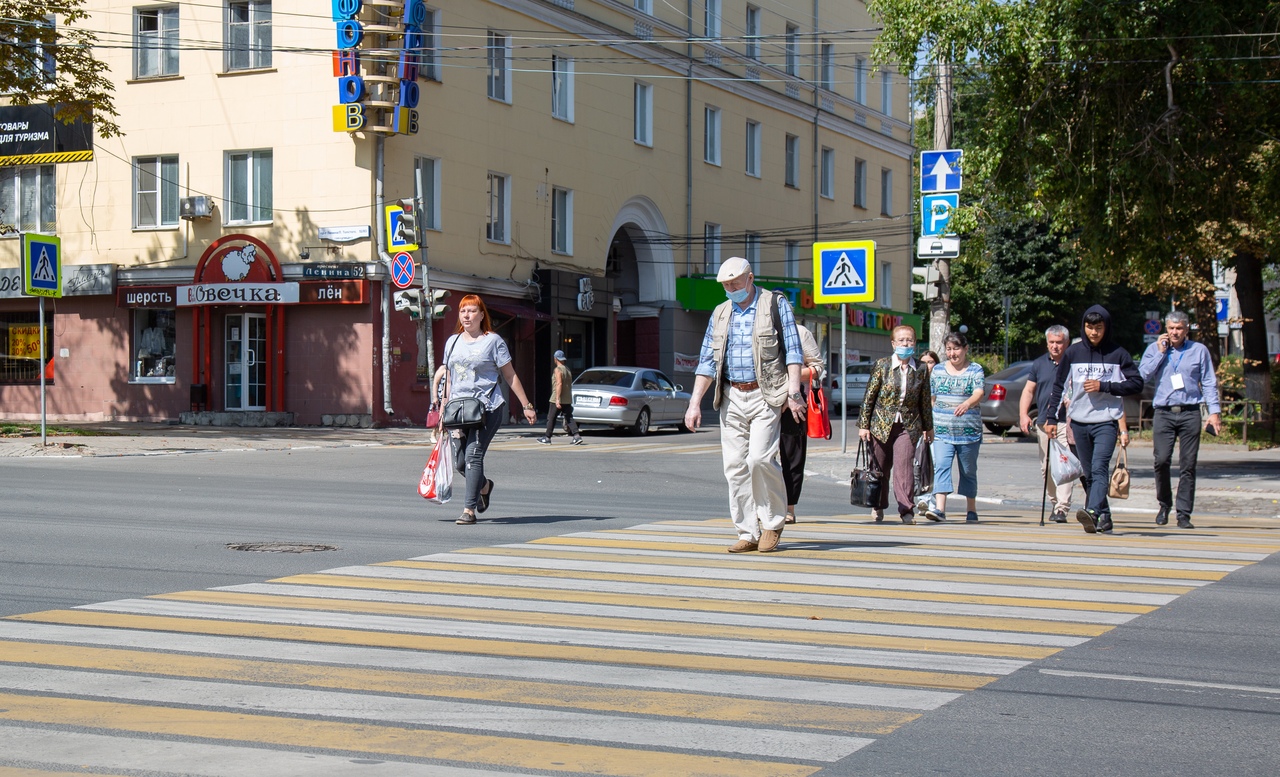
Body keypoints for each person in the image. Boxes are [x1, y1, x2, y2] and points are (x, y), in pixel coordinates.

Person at [685, 257, 807, 554]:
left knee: (760, 460)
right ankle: (747, 531)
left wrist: (793, 391)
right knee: (735, 467)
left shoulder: (775, 305)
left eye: (735, 284)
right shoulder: (720, 313)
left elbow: (793, 351)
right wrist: (694, 403)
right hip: (731, 396)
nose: (730, 289)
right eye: (726, 285)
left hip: (767, 394)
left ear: (750, 279)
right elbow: (706, 361)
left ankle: (773, 521)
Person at [433, 294, 538, 525]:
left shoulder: (493, 341)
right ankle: (485, 486)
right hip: (457, 411)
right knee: (461, 463)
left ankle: (468, 510)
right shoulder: (452, 342)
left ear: (482, 315)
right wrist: (442, 409)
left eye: (472, 311)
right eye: (463, 311)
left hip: (487, 408)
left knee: (473, 456)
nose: (467, 315)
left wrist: (526, 405)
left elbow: (509, 375)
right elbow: (449, 378)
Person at [1043, 305, 1143, 534]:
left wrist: (1104, 386)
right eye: (1089, 327)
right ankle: (1105, 516)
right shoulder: (1073, 353)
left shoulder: (1118, 354)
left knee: (1099, 468)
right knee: (1088, 473)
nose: (1094, 332)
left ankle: (1093, 512)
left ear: (1106, 327)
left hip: (1106, 421)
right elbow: (1058, 386)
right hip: (1078, 422)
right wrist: (1050, 417)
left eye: (1099, 328)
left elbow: (1137, 383)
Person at [1139, 310, 1222, 529]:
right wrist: (1159, 352)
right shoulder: (1155, 349)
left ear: (1186, 330)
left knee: (1188, 464)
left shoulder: (1198, 351)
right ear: (1166, 329)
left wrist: (1214, 412)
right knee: (1161, 460)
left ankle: (1184, 513)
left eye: (1179, 328)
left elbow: (1209, 382)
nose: (1174, 332)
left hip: (1189, 412)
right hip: (1163, 413)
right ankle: (1164, 504)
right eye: (1171, 328)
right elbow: (1142, 376)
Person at [858, 325, 934, 523]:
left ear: (915, 343)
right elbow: (869, 397)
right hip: (881, 425)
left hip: (908, 426)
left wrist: (928, 428)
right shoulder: (882, 365)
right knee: (880, 467)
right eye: (901, 340)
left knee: (904, 467)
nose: (905, 344)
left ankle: (906, 510)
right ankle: (878, 506)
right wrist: (864, 425)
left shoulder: (922, 369)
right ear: (893, 344)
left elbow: (924, 401)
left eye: (909, 340)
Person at [925, 332, 985, 523]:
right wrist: (931, 420)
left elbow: (979, 392)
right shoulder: (939, 370)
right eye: (949, 349)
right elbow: (931, 398)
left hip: (968, 432)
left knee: (968, 470)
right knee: (941, 465)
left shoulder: (975, 370)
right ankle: (940, 509)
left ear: (965, 349)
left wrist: (967, 404)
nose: (952, 353)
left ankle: (971, 509)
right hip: (942, 430)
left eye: (956, 349)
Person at [1020, 325, 1075, 523]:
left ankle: (1062, 508)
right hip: (1044, 421)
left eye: (1059, 342)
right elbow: (1028, 391)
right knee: (1047, 467)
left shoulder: (1073, 363)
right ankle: (1054, 502)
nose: (1055, 346)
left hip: (1066, 421)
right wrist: (1024, 415)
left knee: (1064, 465)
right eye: (1051, 342)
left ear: (1066, 343)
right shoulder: (1039, 364)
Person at [780, 326, 825, 524]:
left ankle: (789, 506)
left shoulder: (800, 332)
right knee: (760, 456)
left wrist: (791, 376)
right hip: (761, 401)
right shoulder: (754, 328)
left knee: (792, 457)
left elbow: (818, 367)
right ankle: (763, 505)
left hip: (794, 402)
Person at [538, 349, 584, 445]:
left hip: (557, 398)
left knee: (551, 418)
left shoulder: (557, 370)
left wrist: (557, 399)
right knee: (569, 418)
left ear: (555, 359)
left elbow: (559, 384)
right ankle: (576, 436)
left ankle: (547, 437)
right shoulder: (567, 369)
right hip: (567, 398)